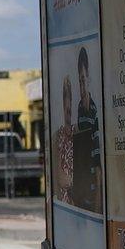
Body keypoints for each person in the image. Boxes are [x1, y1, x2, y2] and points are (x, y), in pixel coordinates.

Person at [76, 46, 102, 208]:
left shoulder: (95, 111)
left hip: (94, 185)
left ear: (89, 79)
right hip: (83, 185)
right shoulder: (80, 108)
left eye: (84, 80)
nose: (82, 86)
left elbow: (97, 159)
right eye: (80, 81)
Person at [53, 75, 74, 204]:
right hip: (64, 201)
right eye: (65, 98)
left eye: (69, 98)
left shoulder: (76, 133)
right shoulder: (58, 137)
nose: (68, 106)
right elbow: (61, 179)